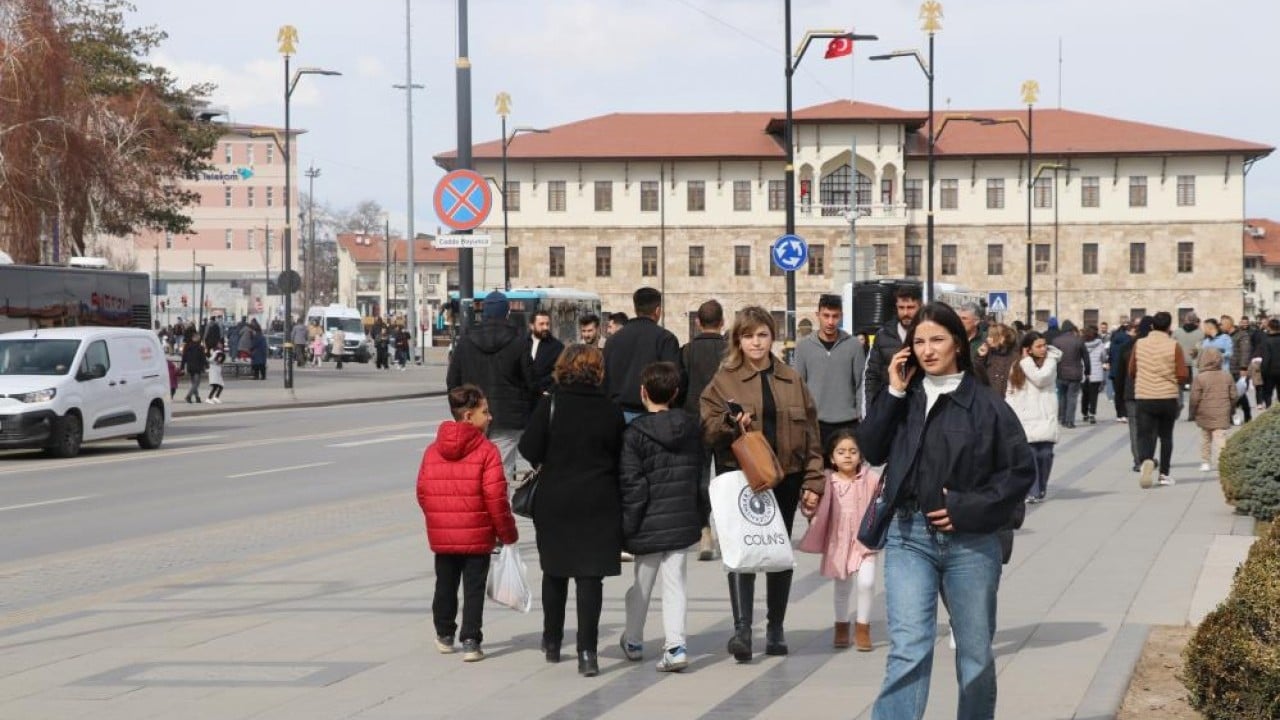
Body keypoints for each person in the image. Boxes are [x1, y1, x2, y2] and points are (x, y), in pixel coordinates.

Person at [857, 302, 1035, 720]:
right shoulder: (905, 396)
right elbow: (871, 448)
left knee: (974, 653)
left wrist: (967, 507)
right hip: (908, 534)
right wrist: (894, 392)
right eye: (918, 341)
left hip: (970, 543)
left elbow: (1019, 473)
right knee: (908, 649)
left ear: (959, 342)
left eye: (936, 339)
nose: (927, 350)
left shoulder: (987, 406)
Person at [699, 306, 823, 662]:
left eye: (763, 335)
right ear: (738, 339)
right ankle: (741, 631)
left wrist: (814, 481)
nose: (756, 342)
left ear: (773, 337)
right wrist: (729, 422)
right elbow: (706, 430)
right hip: (740, 479)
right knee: (743, 552)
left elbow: (811, 433)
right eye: (749, 335)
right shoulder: (724, 380)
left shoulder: (790, 379)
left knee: (777, 553)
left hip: (784, 475)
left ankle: (775, 628)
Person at [518, 344, 626, 677]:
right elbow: (619, 455)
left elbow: (529, 448)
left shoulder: (550, 405)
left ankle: (552, 642)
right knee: (590, 577)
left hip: (556, 500)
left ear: (563, 368)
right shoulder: (611, 410)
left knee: (555, 571)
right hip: (598, 499)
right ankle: (587, 652)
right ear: (598, 371)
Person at [416, 384, 519, 663]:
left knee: (445, 584)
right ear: (468, 416)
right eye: (484, 412)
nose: (490, 417)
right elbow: (496, 497)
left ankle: (444, 634)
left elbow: (423, 492)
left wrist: (438, 518)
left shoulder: (432, 450)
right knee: (474, 588)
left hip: (444, 534)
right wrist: (507, 533)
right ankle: (471, 639)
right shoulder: (487, 451)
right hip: (478, 534)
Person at [618, 361, 706, 673]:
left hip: (648, 521)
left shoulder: (634, 434)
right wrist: (700, 513)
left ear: (643, 392)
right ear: (676, 392)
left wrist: (627, 526)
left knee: (641, 585)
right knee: (676, 585)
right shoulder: (692, 427)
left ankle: (633, 639)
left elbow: (632, 484)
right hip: (682, 516)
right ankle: (676, 646)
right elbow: (699, 475)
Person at [797, 430, 880, 651]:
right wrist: (809, 505)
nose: (847, 456)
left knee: (867, 583)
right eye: (841, 452)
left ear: (860, 456)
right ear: (832, 458)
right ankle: (841, 626)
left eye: (853, 451)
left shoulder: (870, 479)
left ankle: (863, 628)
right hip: (839, 542)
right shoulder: (826, 480)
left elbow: (884, 500)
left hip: (865, 542)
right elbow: (809, 507)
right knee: (842, 587)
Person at [447, 291, 535, 484]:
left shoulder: (466, 340)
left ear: (484, 313)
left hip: (472, 416)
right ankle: (496, 511)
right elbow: (530, 381)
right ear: (507, 313)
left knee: (474, 471)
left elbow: (452, 381)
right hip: (509, 419)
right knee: (501, 473)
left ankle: (476, 510)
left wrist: (461, 412)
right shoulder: (519, 340)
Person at [681, 299, 727, 561]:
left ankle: (704, 531)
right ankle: (726, 530)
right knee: (725, 478)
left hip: (694, 421)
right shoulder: (730, 352)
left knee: (700, 479)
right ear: (722, 323)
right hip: (724, 423)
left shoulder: (687, 351)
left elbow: (681, 386)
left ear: (698, 322)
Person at [793, 293, 865, 448]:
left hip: (848, 422)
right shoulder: (803, 347)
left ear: (841, 316)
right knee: (817, 469)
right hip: (815, 423)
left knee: (848, 469)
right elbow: (798, 386)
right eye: (826, 316)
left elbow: (860, 383)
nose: (831, 322)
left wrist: (861, 414)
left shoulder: (854, 346)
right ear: (817, 315)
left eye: (835, 316)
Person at [1129, 311, 1189, 488]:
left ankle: (1146, 460)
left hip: (1145, 396)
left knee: (1145, 434)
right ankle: (1164, 473)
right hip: (1167, 396)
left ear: (1152, 326)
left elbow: (1132, 370)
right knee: (1166, 436)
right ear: (1169, 327)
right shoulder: (1174, 345)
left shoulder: (1139, 344)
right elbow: (1182, 374)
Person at [603, 287, 680, 423]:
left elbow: (605, 378)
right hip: (652, 416)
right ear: (657, 311)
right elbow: (673, 378)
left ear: (635, 309)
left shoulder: (613, 340)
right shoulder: (665, 338)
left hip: (617, 414)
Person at [1006, 332, 1062, 503]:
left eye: (1044, 345)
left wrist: (1026, 362)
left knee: (1045, 455)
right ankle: (1033, 491)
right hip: (1026, 417)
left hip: (1045, 416)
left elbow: (1040, 379)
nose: (1043, 349)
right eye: (1038, 346)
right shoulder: (1017, 365)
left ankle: (1041, 486)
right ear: (1028, 349)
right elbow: (1011, 391)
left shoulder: (1050, 363)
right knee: (1030, 456)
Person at [863, 284, 922, 407]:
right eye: (901, 307)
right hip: (890, 405)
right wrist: (871, 409)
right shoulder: (883, 335)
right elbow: (872, 375)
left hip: (919, 406)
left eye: (910, 307)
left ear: (920, 306)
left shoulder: (929, 334)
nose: (905, 312)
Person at [1189, 347, 1237, 473]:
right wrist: (1231, 409)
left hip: (1204, 412)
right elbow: (1234, 396)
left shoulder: (1200, 377)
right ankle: (1222, 462)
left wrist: (1192, 412)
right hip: (1222, 411)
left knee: (1205, 438)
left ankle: (1205, 462)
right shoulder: (1227, 376)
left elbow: (1194, 398)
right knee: (1220, 437)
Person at [1051, 320, 1089, 428]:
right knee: (1072, 397)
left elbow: (1053, 358)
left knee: (1062, 397)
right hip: (1075, 373)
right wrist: (1088, 371)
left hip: (1060, 373)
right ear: (1072, 329)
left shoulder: (1056, 341)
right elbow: (1086, 357)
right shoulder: (1079, 341)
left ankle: (1062, 418)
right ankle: (1070, 421)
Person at [1221, 315, 1252, 423]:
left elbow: (1245, 352)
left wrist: (1243, 367)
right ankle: (1230, 416)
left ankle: (1247, 414)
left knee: (1239, 393)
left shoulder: (1242, 335)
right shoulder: (1223, 336)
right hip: (1226, 368)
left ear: (1229, 324)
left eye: (1222, 324)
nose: (1221, 326)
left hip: (1237, 369)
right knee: (1228, 394)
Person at [974, 323, 1018, 398]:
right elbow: (978, 375)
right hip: (988, 400)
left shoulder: (1015, 357)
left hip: (1009, 401)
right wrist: (980, 357)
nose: (987, 339)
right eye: (988, 336)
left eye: (991, 336)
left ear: (1002, 338)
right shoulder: (987, 353)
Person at [527, 310, 565, 397]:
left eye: (547, 324)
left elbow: (561, 372)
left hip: (544, 396)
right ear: (532, 326)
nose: (546, 327)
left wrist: (549, 392)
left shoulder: (557, 347)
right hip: (524, 397)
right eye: (541, 324)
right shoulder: (522, 343)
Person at [1172, 312, 1203, 420]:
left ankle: (1179, 404)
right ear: (1195, 321)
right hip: (1194, 364)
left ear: (1185, 320)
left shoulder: (1177, 332)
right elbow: (1201, 349)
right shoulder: (1200, 334)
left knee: (1177, 387)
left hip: (1179, 363)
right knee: (1194, 390)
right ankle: (1192, 413)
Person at [1109, 321, 1134, 423]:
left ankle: (1119, 414)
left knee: (1117, 393)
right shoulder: (1128, 342)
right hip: (1124, 370)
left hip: (1114, 370)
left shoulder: (1113, 341)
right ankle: (1125, 414)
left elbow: (1110, 356)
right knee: (1125, 392)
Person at [1082, 325, 1107, 424]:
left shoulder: (1081, 344)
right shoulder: (1100, 344)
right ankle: (1092, 413)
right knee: (1094, 395)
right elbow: (1103, 357)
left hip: (1084, 372)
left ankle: (1084, 413)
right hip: (1096, 372)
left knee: (1085, 394)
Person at [179, 331, 208, 403]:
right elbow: (203, 358)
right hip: (197, 367)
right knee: (196, 383)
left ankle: (197, 397)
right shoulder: (200, 347)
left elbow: (184, 357)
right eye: (197, 337)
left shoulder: (187, 346)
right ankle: (188, 396)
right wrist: (206, 365)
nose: (198, 338)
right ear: (193, 338)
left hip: (190, 367)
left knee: (194, 383)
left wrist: (182, 367)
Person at [1258, 318, 1280, 408]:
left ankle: (1269, 410)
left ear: (1269, 327)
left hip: (1270, 371)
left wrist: (1262, 371)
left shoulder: (1267, 341)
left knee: (1268, 393)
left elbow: (1266, 358)